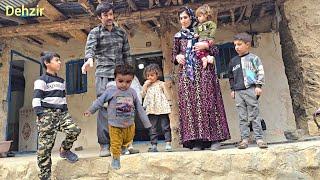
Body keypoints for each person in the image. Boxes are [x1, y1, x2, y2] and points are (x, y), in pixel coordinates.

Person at [172, 7, 230, 151]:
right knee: (191, 106)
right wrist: (177, 57)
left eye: (185, 17)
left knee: (209, 102)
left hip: (204, 72)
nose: (183, 20)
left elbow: (216, 50)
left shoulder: (202, 31)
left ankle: (215, 139)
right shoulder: (178, 36)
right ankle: (197, 141)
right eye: (181, 18)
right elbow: (174, 54)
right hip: (187, 76)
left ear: (191, 18)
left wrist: (206, 45)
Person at [81, 2, 135, 157]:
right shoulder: (95, 33)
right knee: (104, 109)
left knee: (123, 108)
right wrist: (89, 59)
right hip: (103, 75)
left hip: (120, 76)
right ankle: (105, 145)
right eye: (105, 15)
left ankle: (122, 145)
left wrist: (130, 75)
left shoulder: (121, 33)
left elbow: (127, 54)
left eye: (111, 14)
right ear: (100, 17)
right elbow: (90, 49)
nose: (109, 17)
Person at [84, 64, 151, 170]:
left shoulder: (132, 92)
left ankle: (124, 148)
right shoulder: (110, 91)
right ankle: (116, 159)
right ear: (115, 79)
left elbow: (139, 108)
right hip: (114, 124)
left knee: (128, 139)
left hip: (129, 124)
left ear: (132, 80)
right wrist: (90, 110)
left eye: (128, 82)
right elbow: (99, 101)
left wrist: (146, 123)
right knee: (115, 143)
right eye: (120, 81)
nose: (124, 84)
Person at [32, 52, 81, 180]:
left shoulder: (61, 81)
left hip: (62, 113)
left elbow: (63, 98)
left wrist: (66, 112)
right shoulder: (41, 80)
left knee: (74, 129)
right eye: (56, 60)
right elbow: (36, 99)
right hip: (47, 114)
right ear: (47, 63)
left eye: (60, 60)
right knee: (45, 148)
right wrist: (40, 114)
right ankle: (45, 176)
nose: (59, 62)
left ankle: (64, 150)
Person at [228, 32, 268, 149]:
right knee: (242, 117)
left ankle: (259, 139)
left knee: (254, 115)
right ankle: (244, 140)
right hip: (238, 92)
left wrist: (258, 86)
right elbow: (231, 77)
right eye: (235, 45)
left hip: (251, 89)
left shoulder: (254, 59)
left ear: (247, 45)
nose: (236, 47)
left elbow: (260, 72)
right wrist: (232, 89)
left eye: (239, 44)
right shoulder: (233, 61)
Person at [141, 64, 172, 152]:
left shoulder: (161, 84)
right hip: (151, 109)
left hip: (162, 108)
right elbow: (142, 95)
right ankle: (154, 145)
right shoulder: (147, 85)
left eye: (152, 75)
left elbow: (167, 94)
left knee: (165, 126)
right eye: (148, 76)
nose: (150, 77)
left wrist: (169, 104)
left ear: (157, 74)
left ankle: (168, 143)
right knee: (152, 127)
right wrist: (145, 85)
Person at [195, 4, 216, 69]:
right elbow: (196, 31)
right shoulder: (198, 25)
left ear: (206, 15)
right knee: (197, 49)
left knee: (205, 49)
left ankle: (206, 57)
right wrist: (196, 34)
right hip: (200, 40)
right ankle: (205, 58)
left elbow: (213, 29)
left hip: (207, 39)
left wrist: (211, 37)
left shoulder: (210, 23)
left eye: (200, 16)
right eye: (197, 17)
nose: (198, 18)